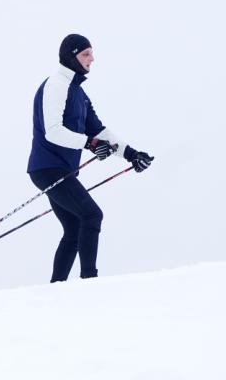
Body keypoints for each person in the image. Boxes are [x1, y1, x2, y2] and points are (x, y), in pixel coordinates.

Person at [27, 34, 153, 282]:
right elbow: (53, 131)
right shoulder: (56, 85)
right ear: (71, 56)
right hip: (48, 168)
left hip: (61, 169)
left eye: (91, 53)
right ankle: (89, 281)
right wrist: (90, 144)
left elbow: (97, 130)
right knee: (92, 216)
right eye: (85, 54)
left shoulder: (78, 92)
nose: (92, 59)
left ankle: (56, 288)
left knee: (75, 228)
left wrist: (131, 154)